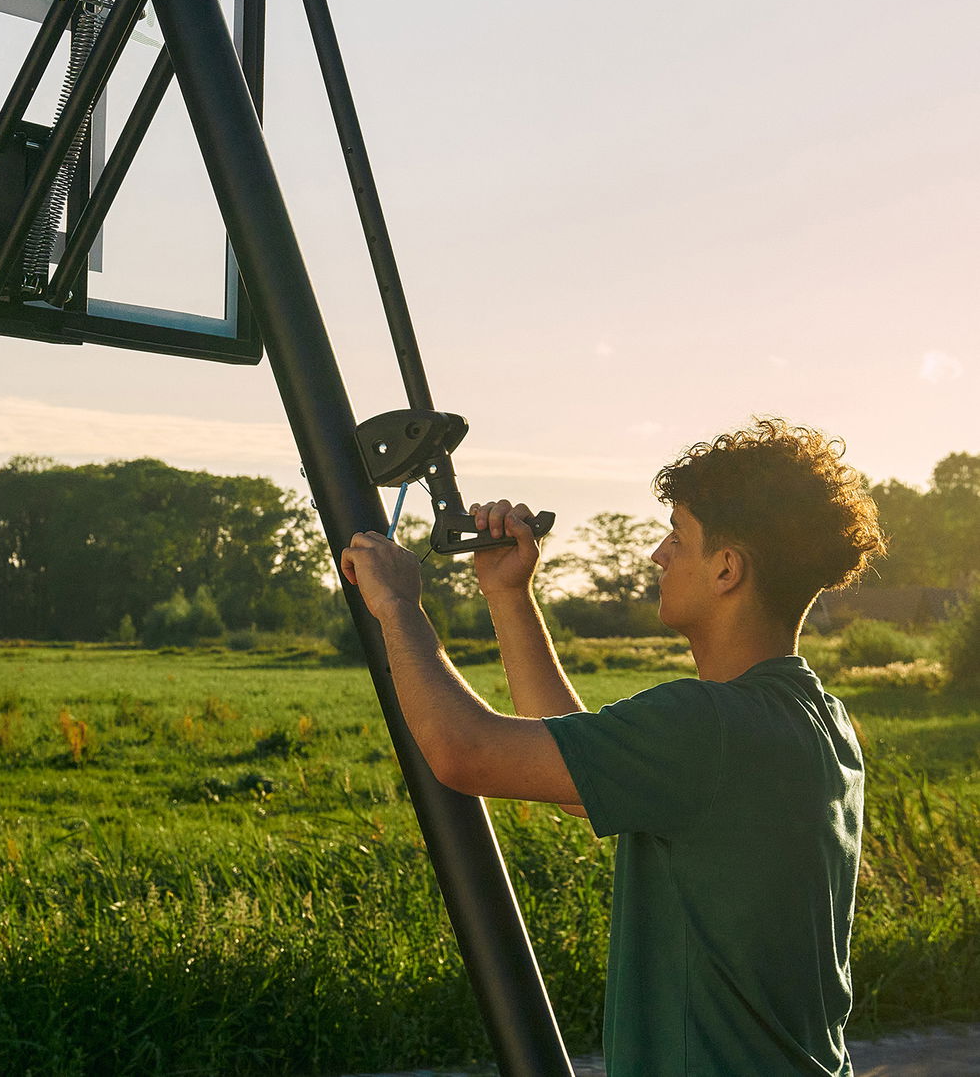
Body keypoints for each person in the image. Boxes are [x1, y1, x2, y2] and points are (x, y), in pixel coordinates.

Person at [339, 417, 884, 1077]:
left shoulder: (705, 724)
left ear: (727, 568)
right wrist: (510, 594)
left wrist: (397, 606)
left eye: (677, 536)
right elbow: (579, 774)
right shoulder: (817, 719)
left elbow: (464, 750)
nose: (658, 554)